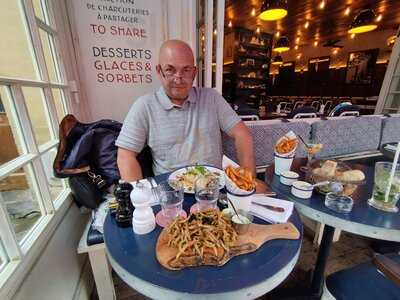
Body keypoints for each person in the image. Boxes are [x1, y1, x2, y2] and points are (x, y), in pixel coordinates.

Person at [116, 39, 256, 183]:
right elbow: (125, 155)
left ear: (194, 73)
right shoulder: (144, 106)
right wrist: (141, 197)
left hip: (214, 188)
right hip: (172, 195)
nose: (178, 79)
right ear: (159, 71)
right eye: (170, 70)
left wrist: (248, 181)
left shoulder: (212, 97)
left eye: (186, 70)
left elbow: (242, 134)